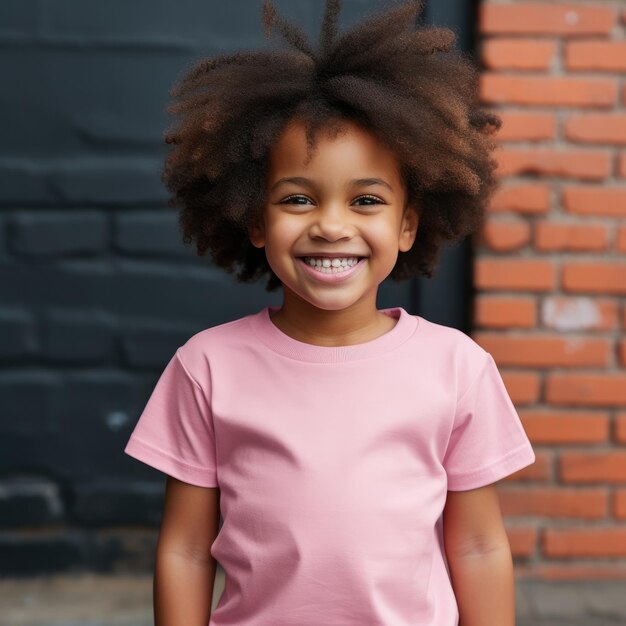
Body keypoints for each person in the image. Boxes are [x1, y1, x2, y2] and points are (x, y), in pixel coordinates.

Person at [123, 1, 536, 624]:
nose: (332, 225)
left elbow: (477, 545)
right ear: (256, 220)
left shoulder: (457, 368)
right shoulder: (206, 367)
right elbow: (184, 549)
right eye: (298, 198)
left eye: (366, 199)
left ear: (407, 226)